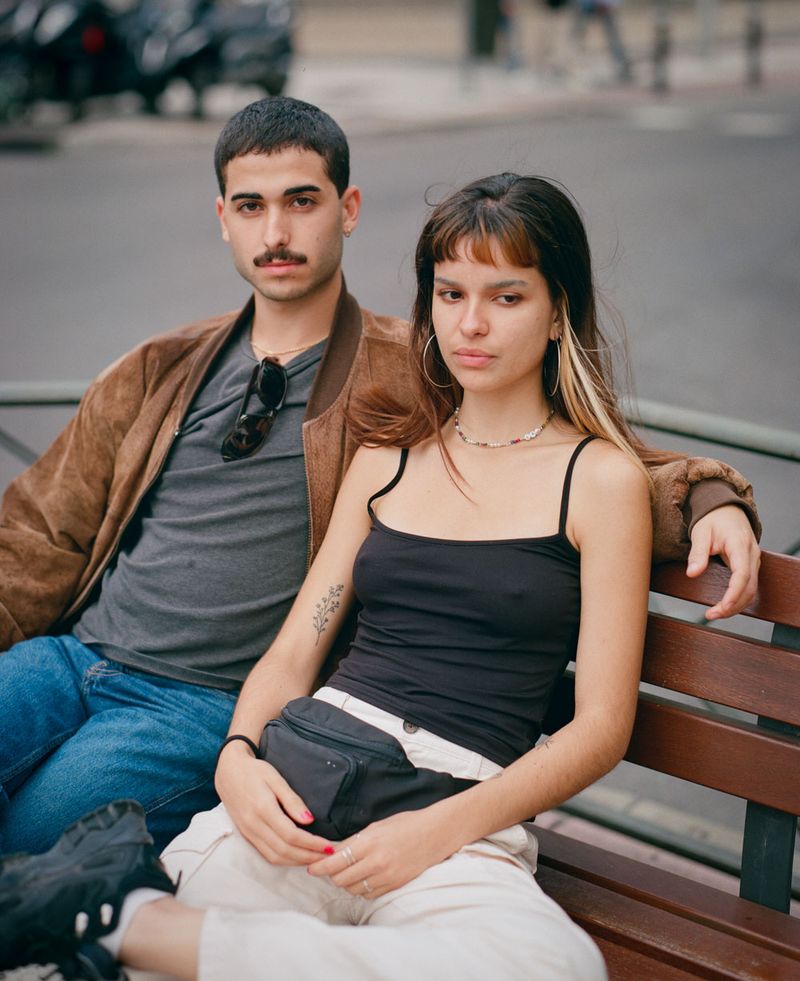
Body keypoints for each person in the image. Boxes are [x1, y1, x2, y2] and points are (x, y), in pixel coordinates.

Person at [0, 172, 762, 981]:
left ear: (556, 313)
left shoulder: (598, 480)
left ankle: (133, 926)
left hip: (461, 813)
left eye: (506, 297)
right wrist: (236, 759)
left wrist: (438, 828)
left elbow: (600, 726)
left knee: (553, 964)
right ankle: (157, 934)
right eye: (451, 293)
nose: (471, 323)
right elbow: (296, 651)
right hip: (300, 781)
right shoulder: (388, 462)